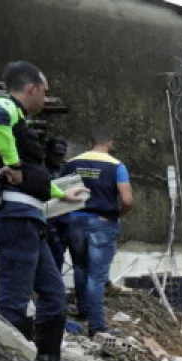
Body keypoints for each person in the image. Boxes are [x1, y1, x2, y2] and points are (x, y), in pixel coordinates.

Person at [0, 61, 87, 361]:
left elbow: (32, 179)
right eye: (45, 91)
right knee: (14, 298)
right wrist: (11, 162)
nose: (46, 98)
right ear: (32, 88)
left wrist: (61, 195)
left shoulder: (18, 120)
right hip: (13, 215)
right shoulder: (1, 106)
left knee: (53, 295)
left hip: (28, 218)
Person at [60, 129, 133, 337]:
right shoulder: (117, 166)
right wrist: (117, 214)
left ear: (89, 142)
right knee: (97, 276)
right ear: (109, 142)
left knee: (80, 267)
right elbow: (127, 200)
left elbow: (60, 193)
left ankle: (83, 310)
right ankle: (96, 325)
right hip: (102, 222)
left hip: (74, 221)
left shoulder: (71, 163)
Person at [43, 137, 71, 272]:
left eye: (60, 155)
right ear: (47, 152)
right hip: (45, 218)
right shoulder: (40, 168)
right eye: (55, 154)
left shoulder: (67, 168)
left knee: (58, 255)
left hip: (63, 218)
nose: (57, 158)